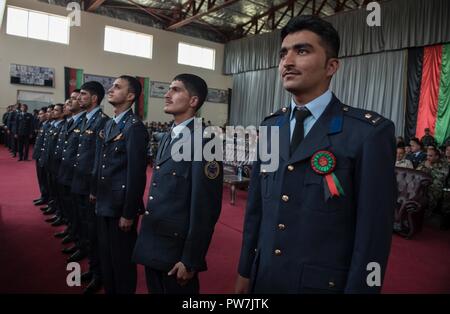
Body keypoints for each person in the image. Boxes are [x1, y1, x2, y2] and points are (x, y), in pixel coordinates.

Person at [235, 15, 396, 294]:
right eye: (283, 53)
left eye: (302, 50)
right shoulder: (272, 125)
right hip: (266, 279)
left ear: (331, 66)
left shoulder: (368, 132)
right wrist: (245, 271)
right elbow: (257, 211)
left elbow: (373, 234)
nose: (288, 61)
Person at [133, 74, 223, 294]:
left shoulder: (206, 140)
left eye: (175, 90)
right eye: (168, 89)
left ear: (193, 101)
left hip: (177, 250)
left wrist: (191, 259)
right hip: (155, 240)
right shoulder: (168, 136)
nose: (167, 94)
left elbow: (206, 208)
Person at [92, 75, 149, 294]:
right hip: (105, 202)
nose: (111, 89)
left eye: (117, 87)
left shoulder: (134, 128)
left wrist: (129, 212)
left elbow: (136, 175)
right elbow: (104, 163)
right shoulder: (109, 124)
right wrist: (96, 193)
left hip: (120, 207)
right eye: (111, 86)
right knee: (106, 258)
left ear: (131, 96)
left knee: (122, 262)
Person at [71, 81, 109, 294]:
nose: (79, 98)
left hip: (91, 187)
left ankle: (99, 274)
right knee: (86, 228)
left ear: (94, 98)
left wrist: (95, 189)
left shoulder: (102, 122)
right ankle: (93, 267)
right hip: (80, 182)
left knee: (94, 233)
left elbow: (99, 160)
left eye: (83, 94)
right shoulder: (87, 120)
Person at [417, 146, 449, 215]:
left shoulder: (444, 164)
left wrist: (430, 167)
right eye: (427, 155)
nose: (428, 157)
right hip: (423, 184)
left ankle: (428, 212)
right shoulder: (424, 163)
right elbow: (417, 173)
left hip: (435, 186)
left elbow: (441, 177)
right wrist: (423, 166)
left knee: (431, 193)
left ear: (437, 157)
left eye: (430, 156)